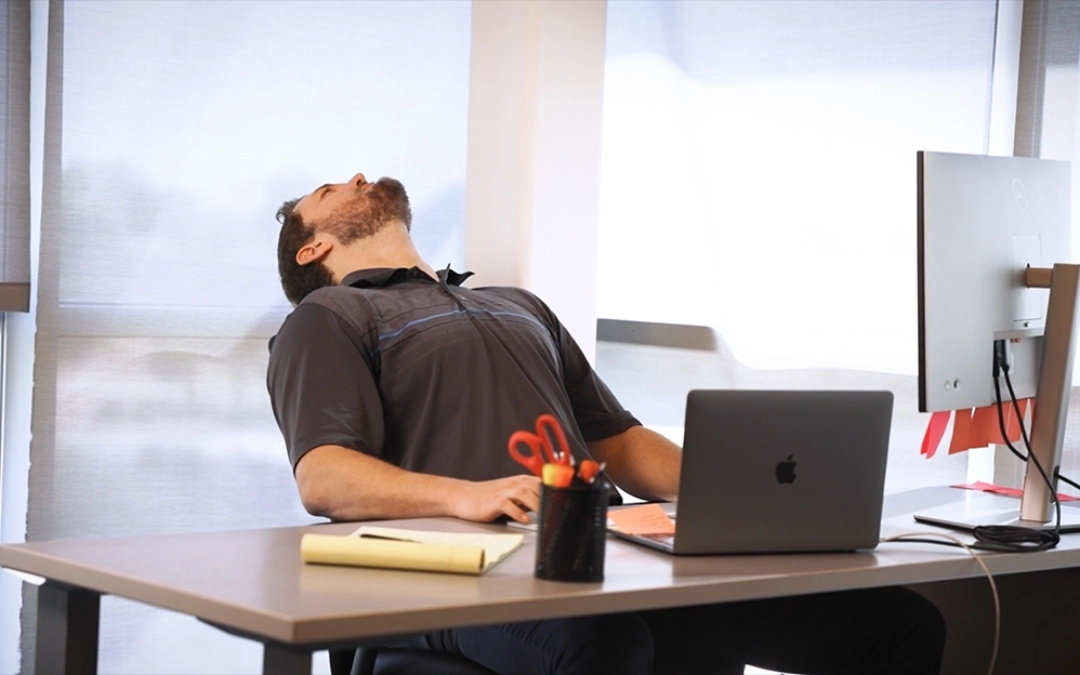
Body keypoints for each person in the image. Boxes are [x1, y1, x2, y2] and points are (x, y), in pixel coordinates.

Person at [267, 172, 947, 675]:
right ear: (312, 249)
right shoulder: (327, 320)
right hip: (462, 582)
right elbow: (324, 475)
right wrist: (464, 495)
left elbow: (618, 441)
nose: (356, 177)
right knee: (613, 646)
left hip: (597, 558)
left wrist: (732, 496)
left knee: (899, 626)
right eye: (330, 190)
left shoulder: (515, 304)